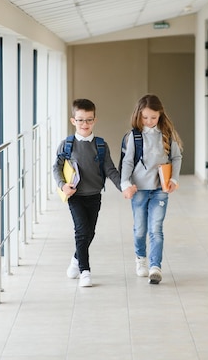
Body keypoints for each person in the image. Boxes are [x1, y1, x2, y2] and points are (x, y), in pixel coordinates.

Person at [53, 98, 136, 287]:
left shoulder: (100, 145)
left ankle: (76, 259)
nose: (85, 124)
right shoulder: (67, 145)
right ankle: (85, 271)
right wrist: (62, 185)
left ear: (95, 120)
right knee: (81, 232)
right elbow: (56, 167)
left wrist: (124, 186)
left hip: (94, 196)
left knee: (90, 232)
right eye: (80, 120)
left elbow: (111, 170)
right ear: (73, 120)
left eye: (89, 119)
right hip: (75, 196)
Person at [120, 94, 183, 284]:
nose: (148, 121)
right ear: (138, 115)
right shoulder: (134, 136)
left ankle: (156, 266)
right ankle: (141, 259)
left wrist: (174, 179)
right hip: (139, 189)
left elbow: (177, 157)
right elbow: (127, 161)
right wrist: (125, 183)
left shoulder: (167, 134)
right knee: (140, 229)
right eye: (145, 117)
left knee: (156, 228)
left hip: (160, 189)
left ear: (160, 116)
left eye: (153, 118)